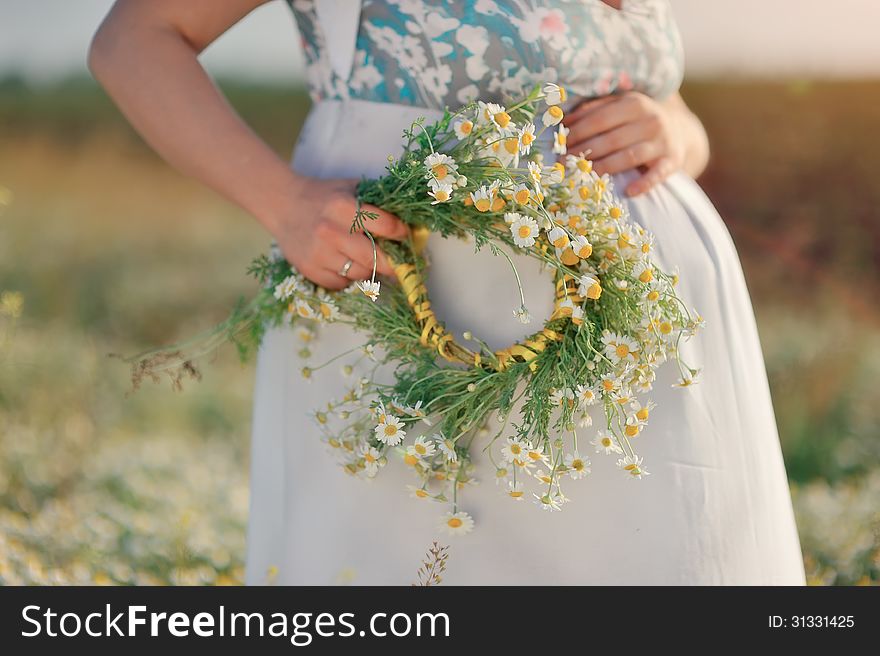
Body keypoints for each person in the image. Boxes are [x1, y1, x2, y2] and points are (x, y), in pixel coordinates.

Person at [90, 0, 806, 585]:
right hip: (427, 332)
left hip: (652, 359)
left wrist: (680, 131)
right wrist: (283, 202)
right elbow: (135, 39)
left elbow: (648, 78)